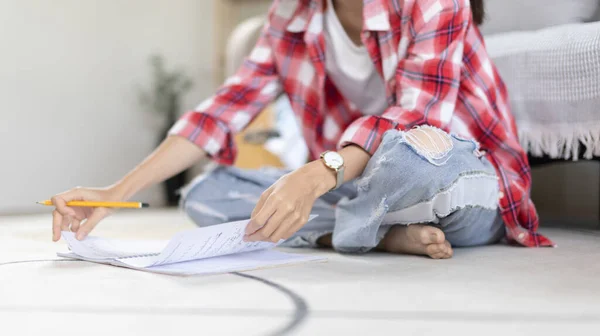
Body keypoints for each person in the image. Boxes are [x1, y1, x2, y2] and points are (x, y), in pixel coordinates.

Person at [50, 0, 553, 259]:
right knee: (206, 194)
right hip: (359, 185)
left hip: (452, 182)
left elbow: (419, 119)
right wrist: (115, 192)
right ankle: (376, 236)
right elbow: (225, 109)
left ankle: (357, 228)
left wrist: (316, 175)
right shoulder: (293, 13)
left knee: (408, 154)